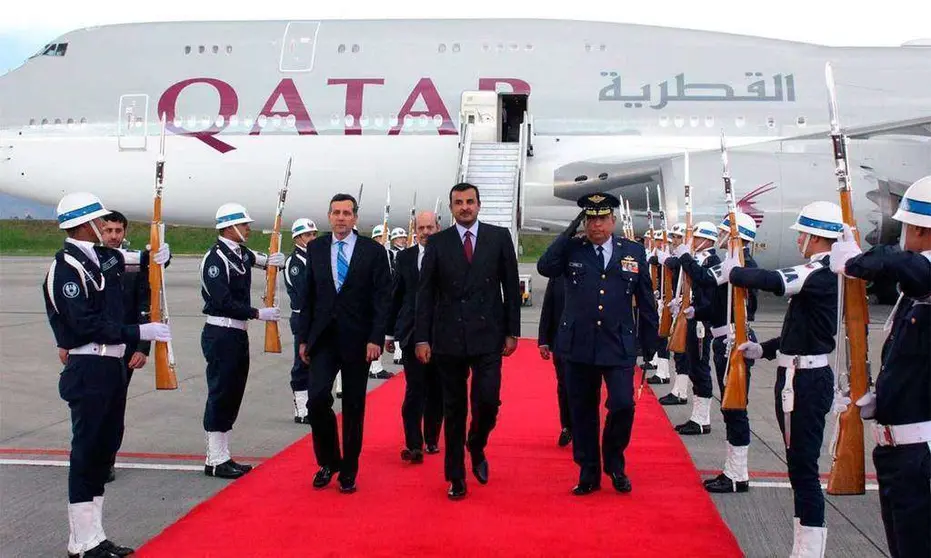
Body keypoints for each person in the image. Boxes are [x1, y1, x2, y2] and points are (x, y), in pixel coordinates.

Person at [43, 192, 172, 558]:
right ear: (85, 225)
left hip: (111, 366)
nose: (106, 228)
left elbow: (138, 264)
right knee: (87, 452)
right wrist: (137, 333)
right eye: (101, 222)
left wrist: (159, 257)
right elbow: (83, 322)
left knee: (104, 450)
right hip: (89, 366)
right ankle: (80, 542)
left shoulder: (102, 258)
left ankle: (95, 536)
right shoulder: (66, 267)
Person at [721, 201, 842, 557]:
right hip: (795, 373)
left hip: (805, 380)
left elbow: (774, 280)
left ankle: (808, 551)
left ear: (814, 236)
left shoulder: (820, 272)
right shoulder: (820, 272)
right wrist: (767, 349)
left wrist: (735, 270)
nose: (799, 240)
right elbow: (802, 330)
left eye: (802, 234)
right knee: (797, 467)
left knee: (803, 470)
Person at [829, 176, 931, 558]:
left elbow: (901, 264)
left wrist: (856, 262)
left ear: (921, 229)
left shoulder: (921, 274)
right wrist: (882, 398)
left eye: (905, 226)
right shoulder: (915, 293)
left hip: (920, 454)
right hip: (897, 451)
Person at [537, 192, 659, 495]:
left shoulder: (632, 252)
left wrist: (651, 343)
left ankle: (614, 462)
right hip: (578, 344)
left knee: (622, 405)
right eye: (590, 219)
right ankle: (588, 470)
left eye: (602, 219)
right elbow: (544, 266)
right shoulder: (573, 250)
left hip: (617, 343)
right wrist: (569, 232)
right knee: (582, 411)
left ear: (613, 221)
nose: (596, 226)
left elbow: (645, 300)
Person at [415, 182, 521, 500]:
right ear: (451, 208)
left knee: (487, 403)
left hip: (488, 336)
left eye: (470, 201)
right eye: (458, 202)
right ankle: (456, 476)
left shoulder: (499, 238)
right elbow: (425, 294)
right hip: (448, 338)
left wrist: (512, 332)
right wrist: (422, 338)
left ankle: (476, 443)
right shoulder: (437, 243)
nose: (465, 207)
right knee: (455, 409)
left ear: (479, 204)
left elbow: (511, 288)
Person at [298, 193, 391, 494]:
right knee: (316, 400)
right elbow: (307, 298)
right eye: (336, 212)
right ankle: (328, 460)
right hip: (323, 338)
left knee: (353, 406)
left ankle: (349, 469)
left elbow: (382, 299)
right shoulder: (316, 248)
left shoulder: (372, 252)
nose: (341, 218)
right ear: (329, 216)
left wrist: (376, 337)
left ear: (355, 218)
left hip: (358, 340)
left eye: (347, 213)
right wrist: (303, 338)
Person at [200, 202, 284, 479]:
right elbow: (221, 300)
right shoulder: (216, 259)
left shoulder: (239, 254)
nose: (248, 228)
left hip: (237, 332)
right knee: (221, 392)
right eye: (244, 224)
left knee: (233, 393)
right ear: (230, 227)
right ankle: (214, 457)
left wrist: (274, 260)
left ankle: (223, 454)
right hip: (221, 331)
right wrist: (257, 312)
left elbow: (261, 260)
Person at [97, 210, 171, 483]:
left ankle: (107, 459)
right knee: (92, 404)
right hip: (91, 343)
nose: (114, 236)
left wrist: (143, 347)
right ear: (99, 232)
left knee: (115, 404)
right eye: (109, 231)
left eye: (119, 231)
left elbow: (146, 303)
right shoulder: (88, 259)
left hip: (125, 346)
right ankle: (89, 454)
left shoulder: (134, 262)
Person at [701, 212, 759, 493]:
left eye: (724, 231)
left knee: (736, 407)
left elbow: (703, 278)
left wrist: (685, 257)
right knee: (730, 407)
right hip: (723, 339)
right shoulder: (730, 264)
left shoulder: (744, 265)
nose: (719, 236)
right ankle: (732, 470)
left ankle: (738, 473)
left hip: (736, 340)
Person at [385, 211, 444, 463]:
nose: (426, 232)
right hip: (410, 334)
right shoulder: (405, 258)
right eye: (421, 228)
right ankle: (413, 443)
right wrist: (388, 332)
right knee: (414, 390)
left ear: (437, 228)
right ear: (415, 230)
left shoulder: (448, 255)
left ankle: (431, 438)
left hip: (442, 334)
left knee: (437, 391)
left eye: (430, 227)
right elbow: (396, 295)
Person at [657, 221, 719, 435]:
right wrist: (680, 300)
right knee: (693, 366)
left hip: (702, 321)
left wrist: (694, 307)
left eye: (697, 239)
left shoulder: (712, 261)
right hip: (692, 316)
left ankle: (702, 419)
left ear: (708, 241)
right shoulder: (698, 259)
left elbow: (704, 283)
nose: (693, 243)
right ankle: (696, 416)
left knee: (700, 369)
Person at [284, 217, 317, 423]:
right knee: (302, 362)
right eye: (307, 235)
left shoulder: (315, 257)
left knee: (317, 362)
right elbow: (304, 292)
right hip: (302, 317)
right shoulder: (294, 262)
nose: (312, 238)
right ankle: (301, 408)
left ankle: (313, 404)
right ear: (297, 238)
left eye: (314, 234)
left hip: (318, 317)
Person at [538, 272, 573, 447]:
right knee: (564, 385)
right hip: (561, 339)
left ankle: (584, 426)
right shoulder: (558, 274)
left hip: (588, 340)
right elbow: (548, 306)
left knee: (586, 386)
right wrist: (543, 339)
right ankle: (567, 426)